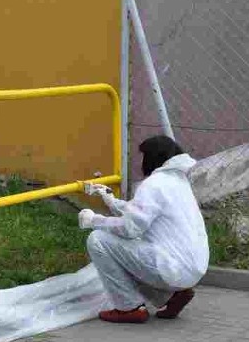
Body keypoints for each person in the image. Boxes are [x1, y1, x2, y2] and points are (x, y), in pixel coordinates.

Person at [78, 135, 209, 323]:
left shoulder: (153, 184)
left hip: (173, 269)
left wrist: (94, 221)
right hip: (192, 268)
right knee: (129, 250)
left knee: (98, 240)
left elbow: (130, 228)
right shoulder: (178, 181)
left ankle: (129, 307)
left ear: (152, 157)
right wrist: (112, 202)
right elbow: (142, 212)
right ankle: (170, 297)